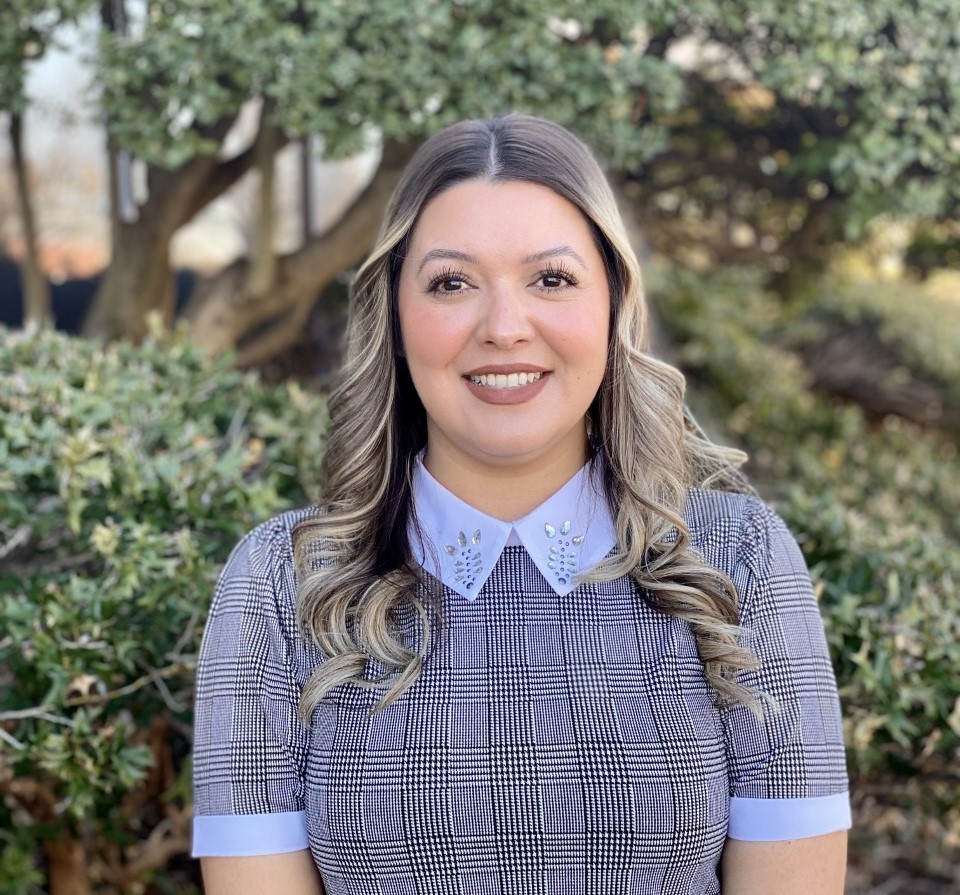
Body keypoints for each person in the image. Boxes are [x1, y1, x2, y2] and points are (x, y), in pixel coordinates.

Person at [192, 115, 851, 894]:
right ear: (397, 320)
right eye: (451, 282)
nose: (504, 328)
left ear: (613, 304)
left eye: (551, 279)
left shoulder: (737, 557)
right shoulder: (282, 579)